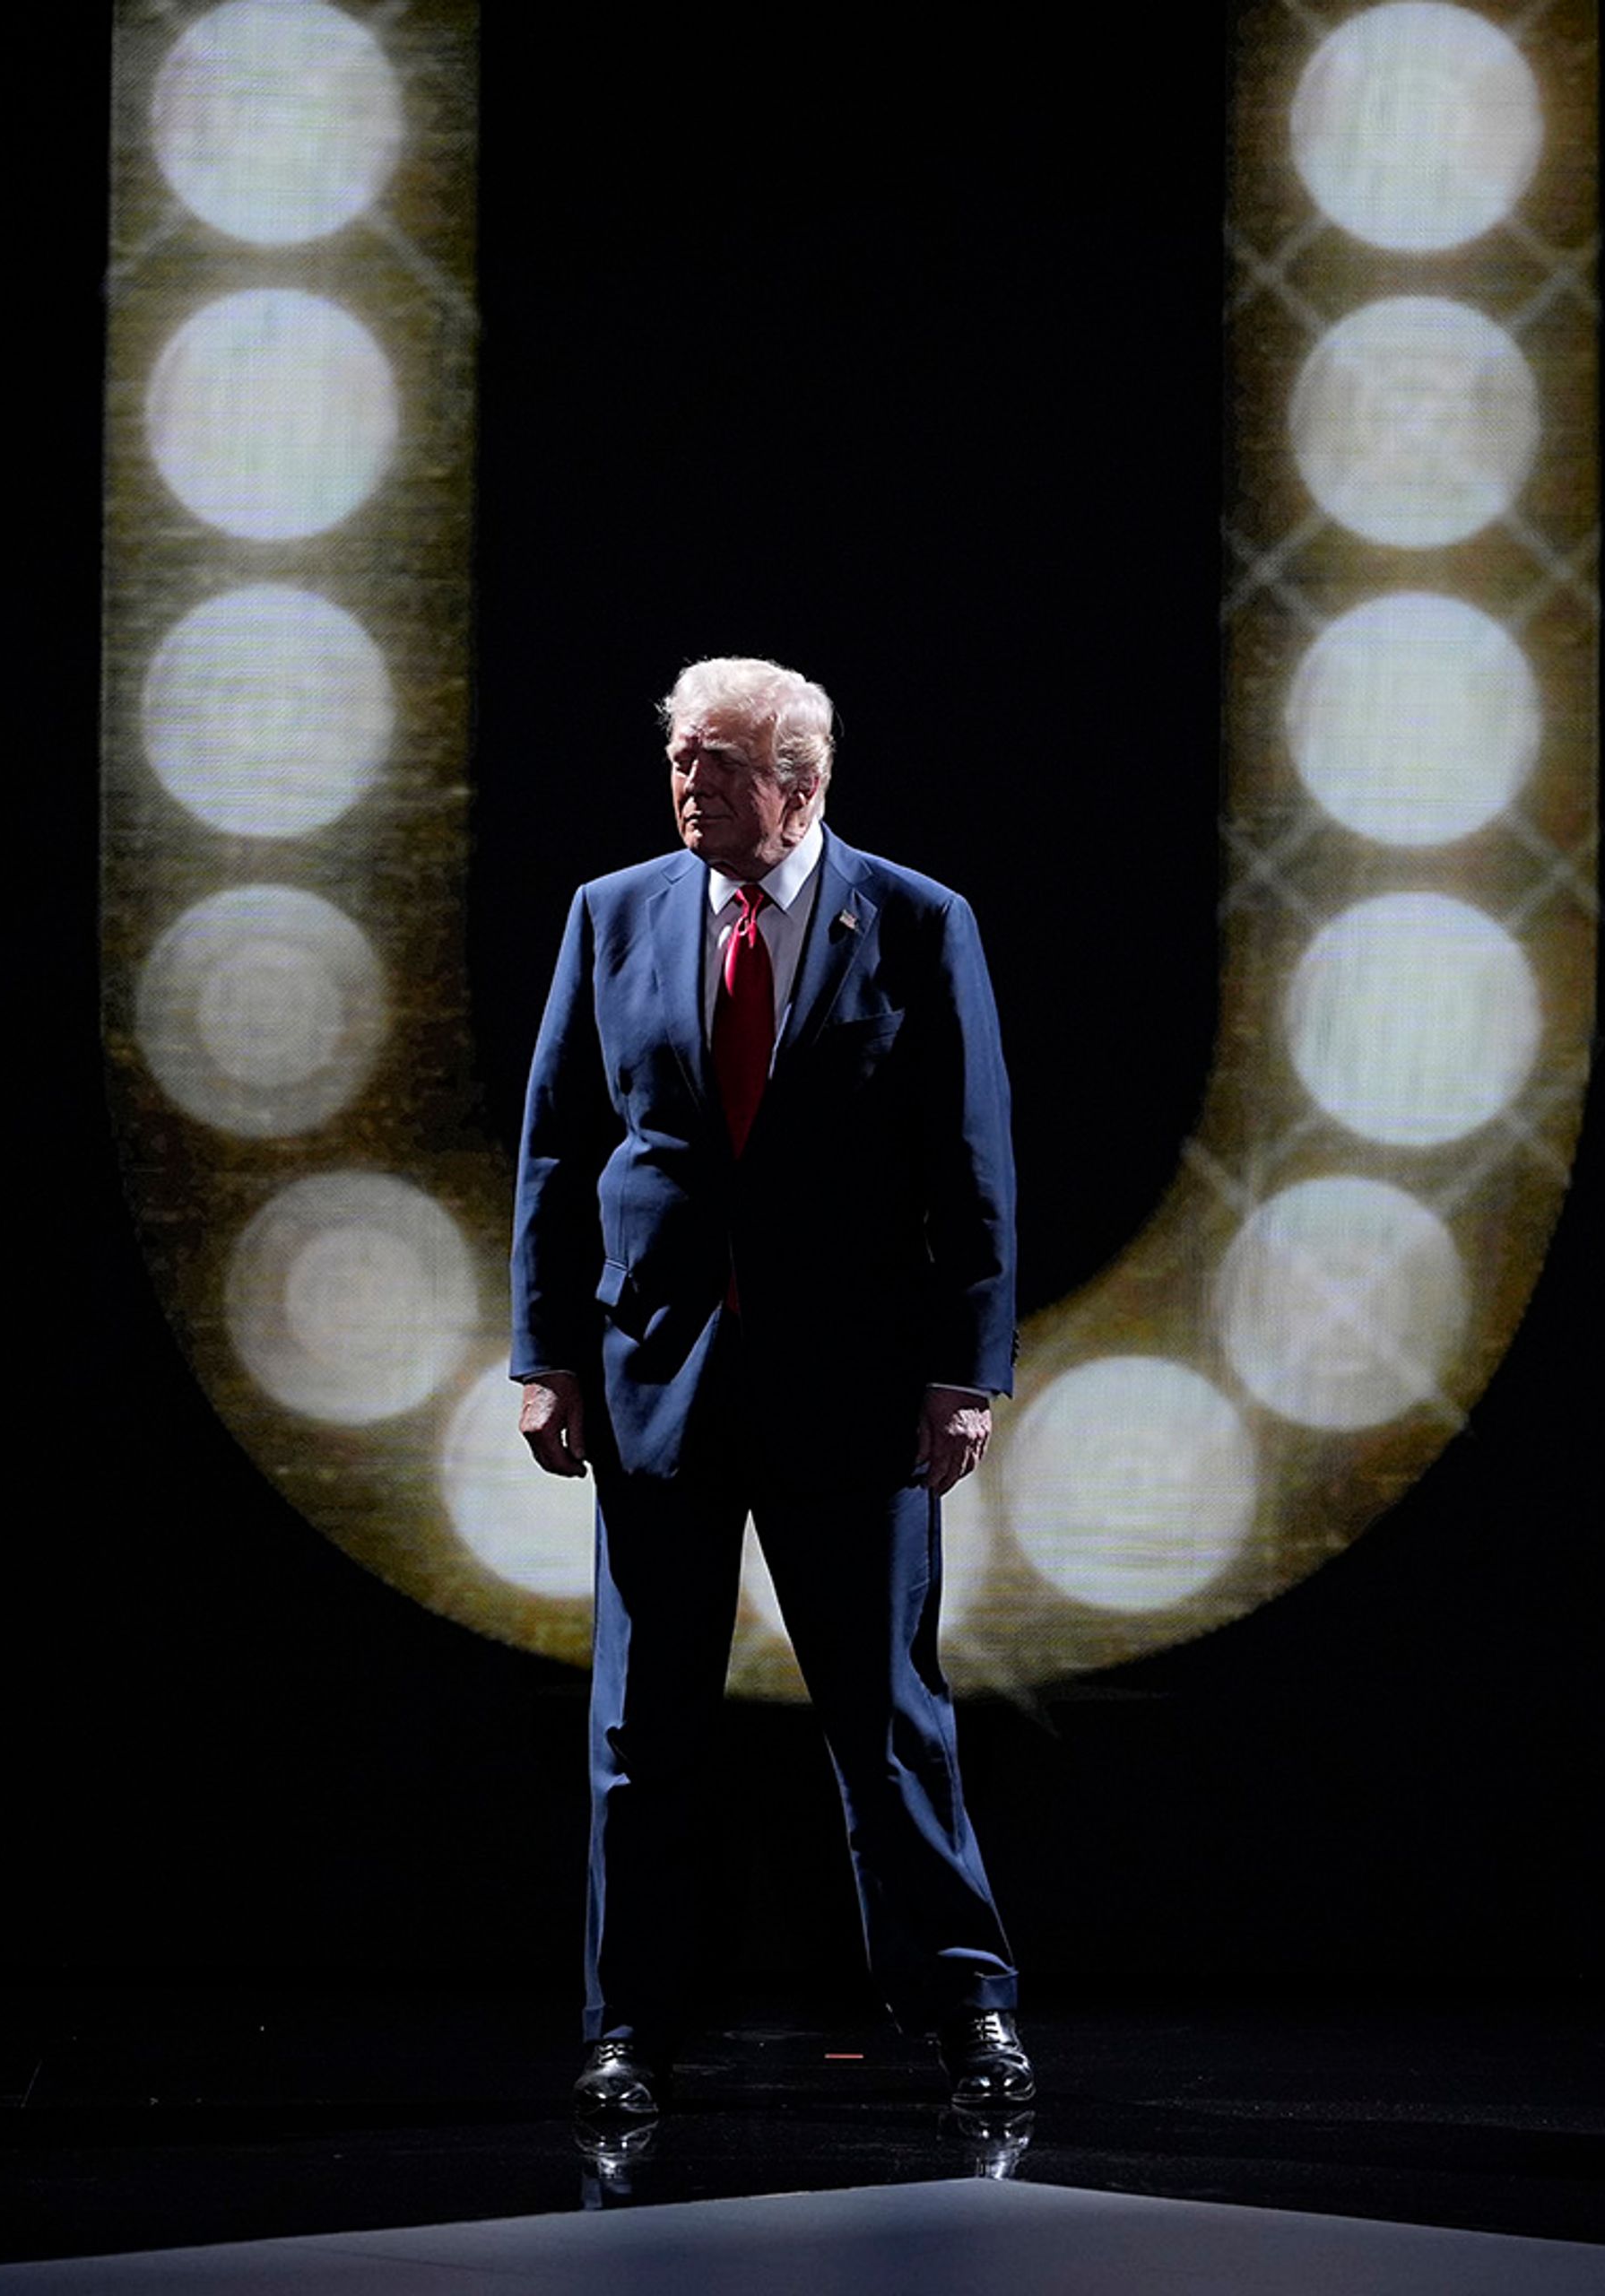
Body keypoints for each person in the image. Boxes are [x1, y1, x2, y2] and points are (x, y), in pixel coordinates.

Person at [510, 657, 1030, 2122]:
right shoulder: (612, 917)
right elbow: (559, 1148)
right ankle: (629, 2031)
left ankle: (966, 2010)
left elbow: (971, 1170)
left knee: (889, 1719)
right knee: (641, 1732)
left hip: (854, 1391)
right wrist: (546, 1355)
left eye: (718, 766)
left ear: (799, 787)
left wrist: (963, 1376)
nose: (689, 787)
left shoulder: (919, 924)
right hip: (657, 1378)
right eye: (679, 759)